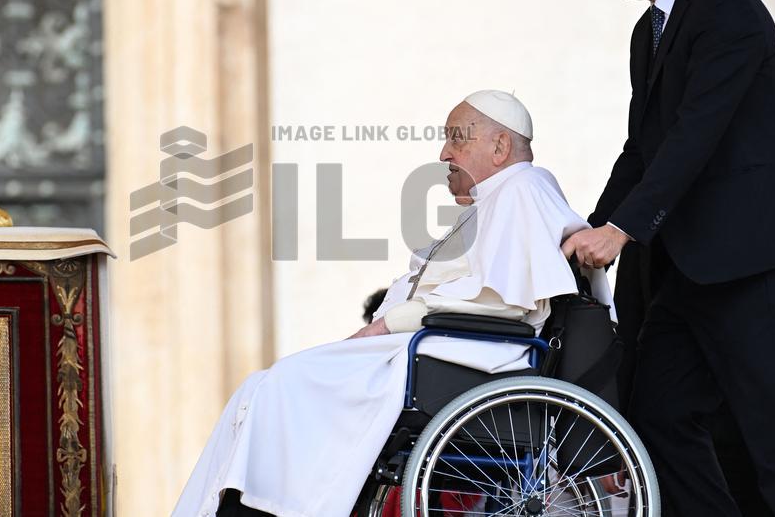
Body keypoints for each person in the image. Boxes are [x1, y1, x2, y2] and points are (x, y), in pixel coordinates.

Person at [175, 91, 614, 516]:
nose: (444, 154)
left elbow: (505, 304)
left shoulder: (523, 189)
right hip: (441, 345)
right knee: (266, 386)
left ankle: (261, 506)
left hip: (462, 353)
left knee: (282, 385)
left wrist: (392, 322)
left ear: (500, 145)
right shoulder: (498, 197)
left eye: (457, 138)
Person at [562, 0, 775, 516]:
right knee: (656, 418)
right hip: (682, 271)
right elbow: (642, 148)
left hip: (750, 265)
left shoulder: (730, 10)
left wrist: (624, 231)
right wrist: (590, 228)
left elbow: (697, 135)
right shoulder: (649, 34)